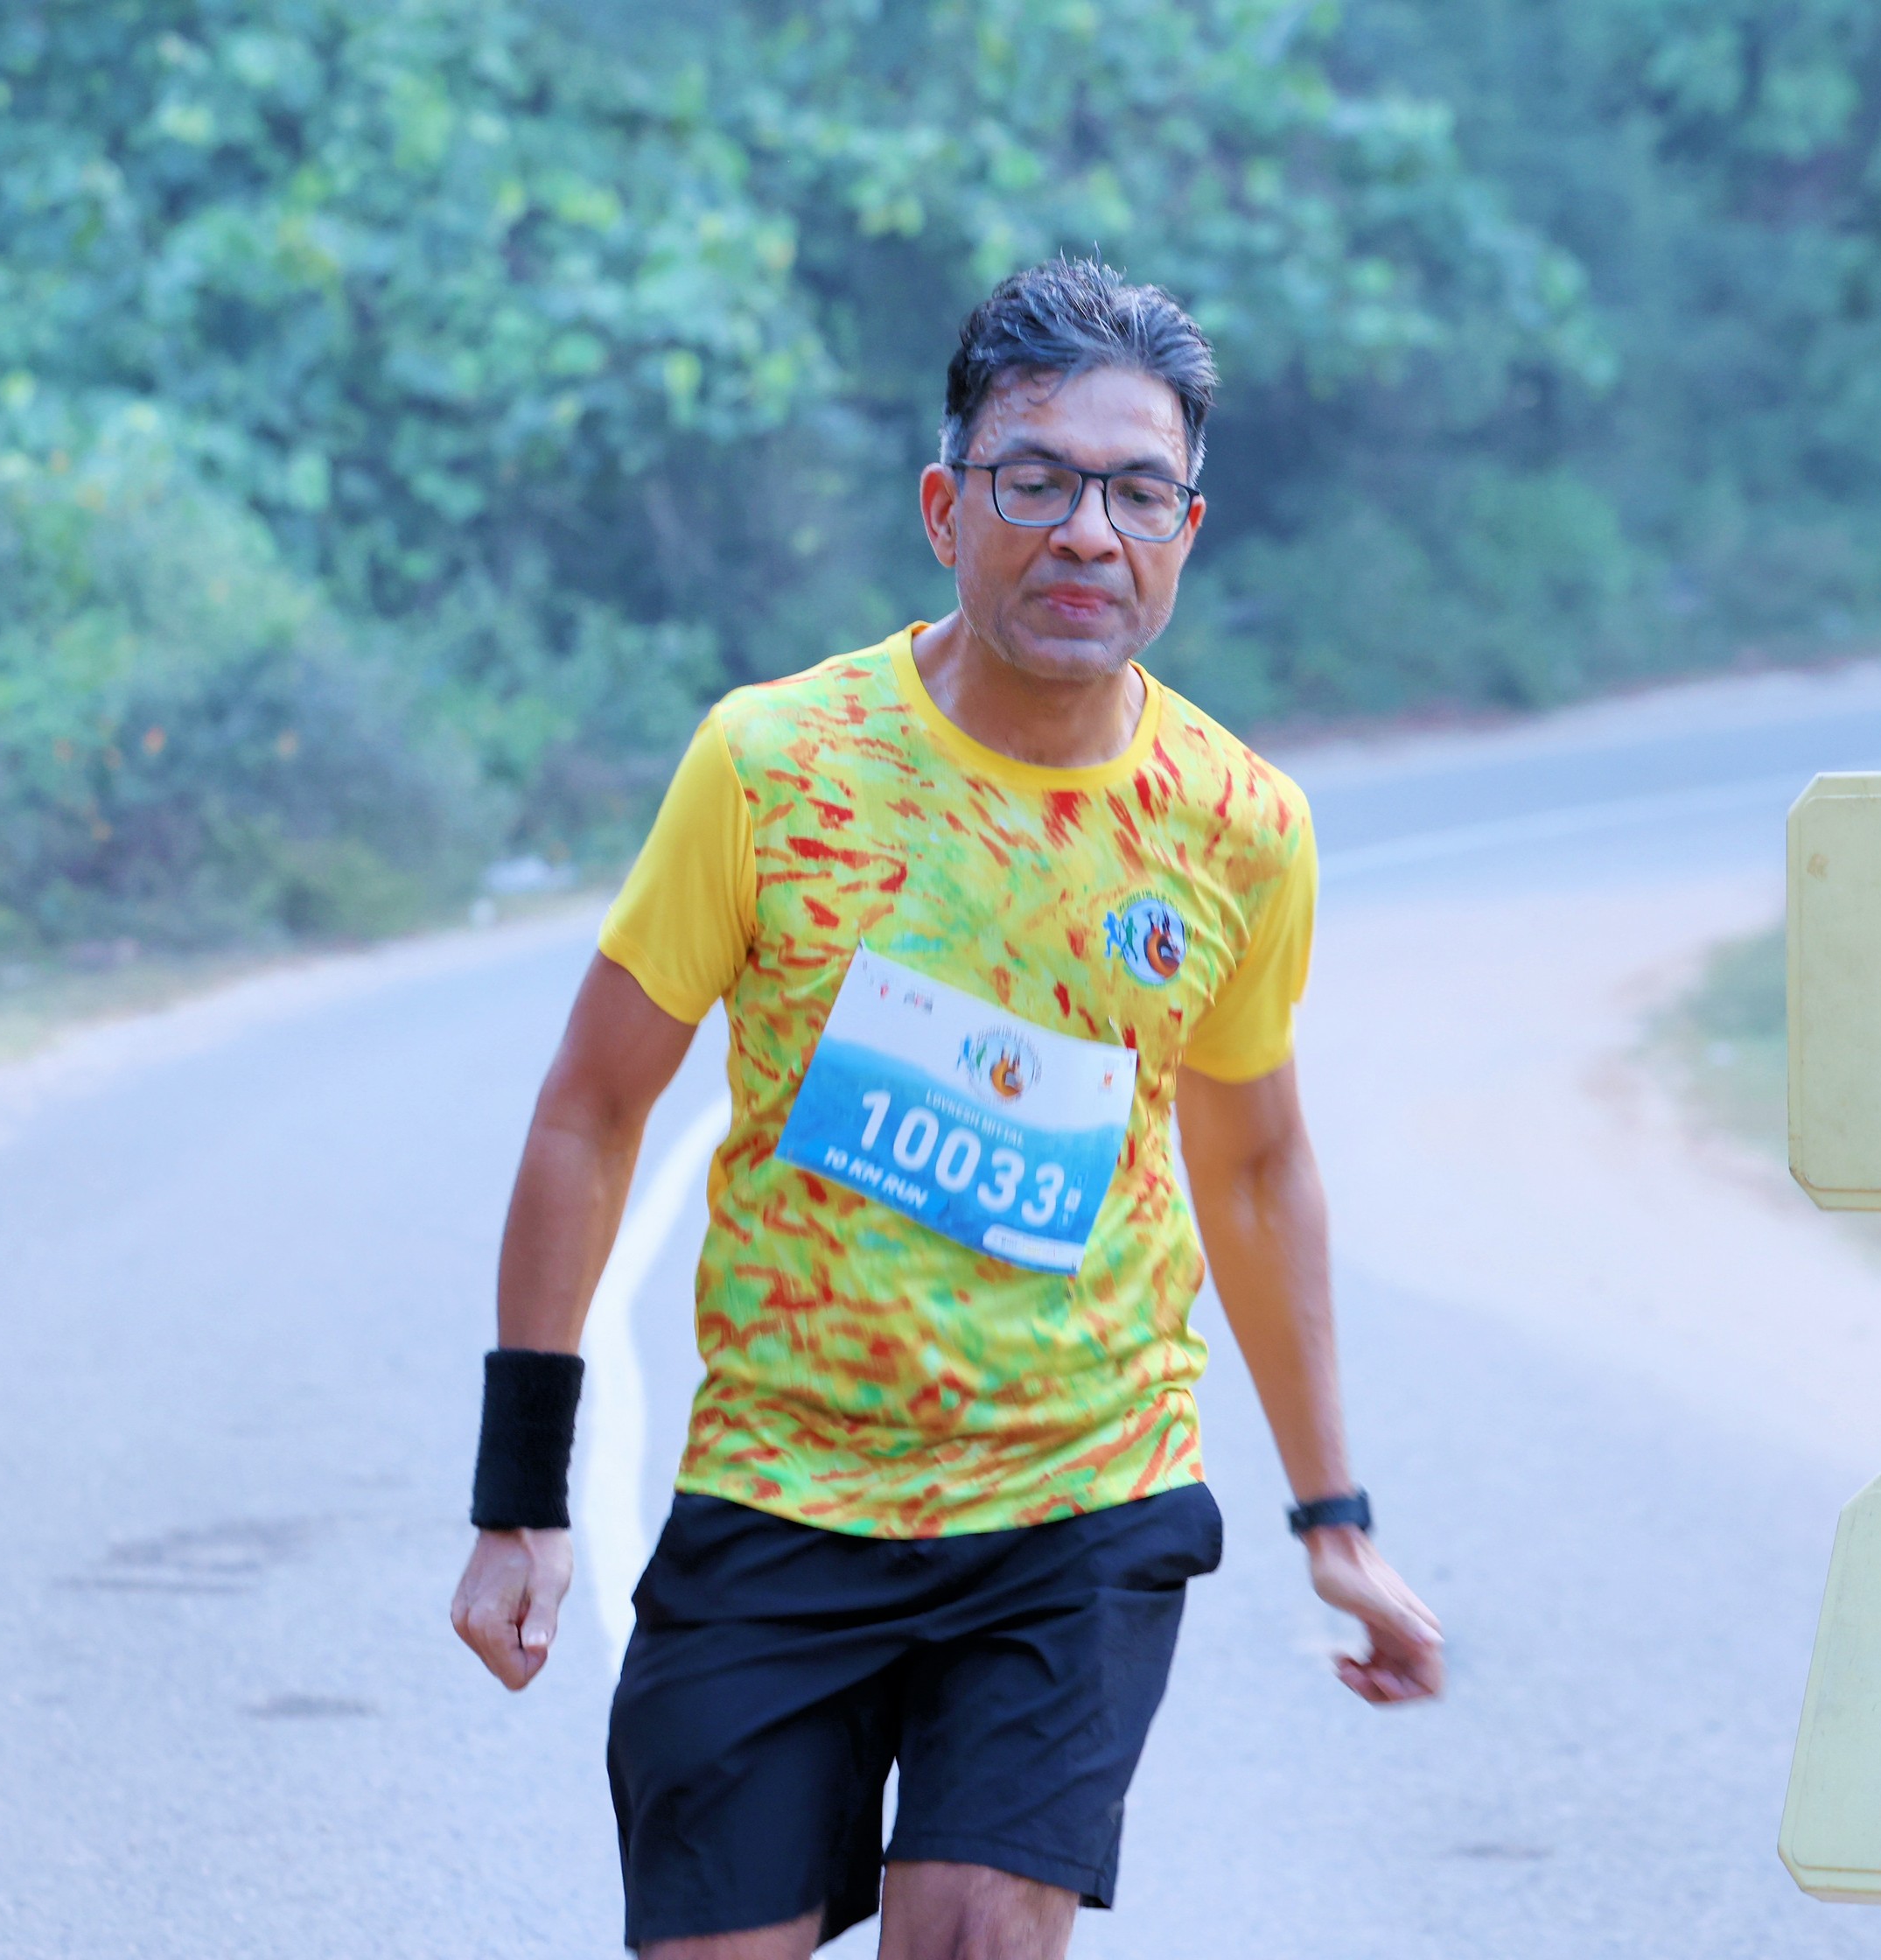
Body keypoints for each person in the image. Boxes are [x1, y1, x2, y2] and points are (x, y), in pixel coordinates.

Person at [449, 257, 1444, 1960]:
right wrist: (520, 1493)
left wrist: (1334, 1520)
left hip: (1080, 1497)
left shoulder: (1237, 826)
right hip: (786, 1487)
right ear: (945, 508)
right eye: (1036, 481)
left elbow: (1258, 1170)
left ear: (1187, 531)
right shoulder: (775, 767)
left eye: (1137, 492)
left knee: (980, 1930)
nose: (1087, 533)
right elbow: (589, 1111)